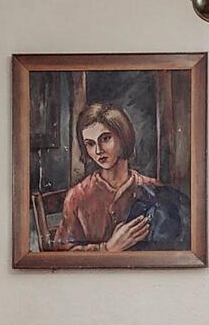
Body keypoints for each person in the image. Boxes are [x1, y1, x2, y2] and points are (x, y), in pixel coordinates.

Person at [50, 101, 189, 252]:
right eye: (90, 144)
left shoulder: (154, 189)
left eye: (105, 139)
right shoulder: (78, 196)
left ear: (123, 138)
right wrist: (107, 249)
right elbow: (62, 253)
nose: (98, 150)